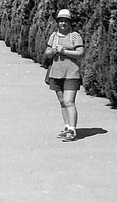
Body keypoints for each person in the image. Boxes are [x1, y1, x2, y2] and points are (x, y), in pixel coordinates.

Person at [43, 9, 84, 142]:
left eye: (65, 21)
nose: (63, 23)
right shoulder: (53, 36)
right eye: (61, 21)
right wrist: (53, 51)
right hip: (56, 73)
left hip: (71, 73)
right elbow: (47, 52)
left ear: (69, 22)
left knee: (69, 102)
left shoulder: (75, 36)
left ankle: (72, 130)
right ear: (57, 22)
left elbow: (80, 53)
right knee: (62, 102)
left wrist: (65, 51)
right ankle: (66, 127)